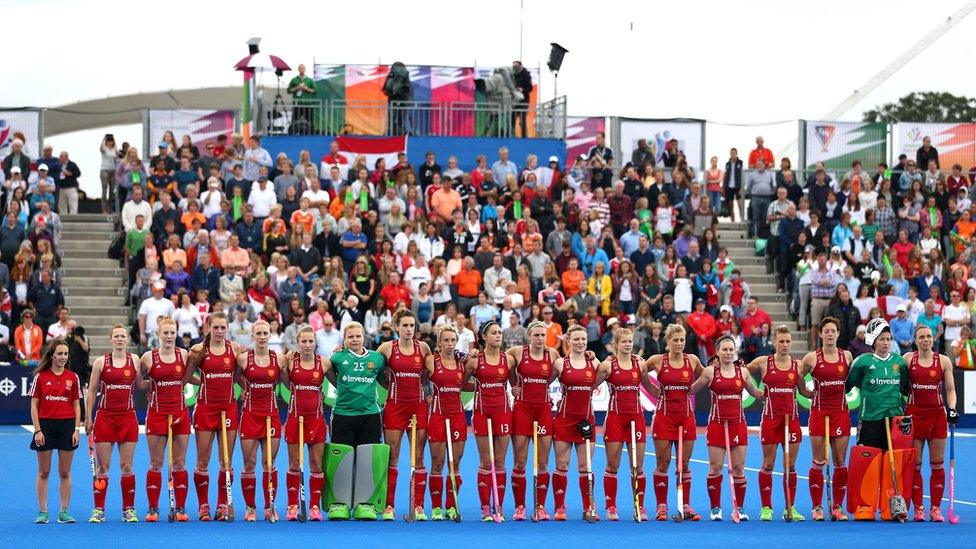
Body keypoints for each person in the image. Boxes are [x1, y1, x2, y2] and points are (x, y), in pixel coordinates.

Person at [689, 335, 763, 521]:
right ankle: (715, 508)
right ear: (718, 352)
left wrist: (772, 392)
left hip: (737, 425)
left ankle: (739, 508)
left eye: (731, 349)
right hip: (716, 425)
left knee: (738, 468)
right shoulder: (709, 372)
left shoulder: (743, 372)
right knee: (715, 468)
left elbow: (755, 393)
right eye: (724, 349)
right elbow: (690, 390)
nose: (728, 352)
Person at [845, 318, 909, 520]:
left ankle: (890, 505)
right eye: (882, 339)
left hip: (894, 420)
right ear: (874, 340)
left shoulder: (899, 362)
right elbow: (849, 385)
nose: (886, 342)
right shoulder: (862, 362)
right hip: (870, 418)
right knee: (869, 464)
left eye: (888, 339)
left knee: (893, 463)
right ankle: (866, 505)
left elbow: (905, 389)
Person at [323, 322, 387, 520]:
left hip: (370, 415)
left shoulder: (377, 359)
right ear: (344, 339)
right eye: (350, 337)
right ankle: (339, 503)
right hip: (343, 414)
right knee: (341, 458)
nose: (354, 340)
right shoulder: (337, 357)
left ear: (364, 337)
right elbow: (327, 372)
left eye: (358, 336)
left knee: (366, 459)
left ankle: (364, 503)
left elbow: (386, 378)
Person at [185, 312, 242, 521]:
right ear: (208, 328)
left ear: (227, 328)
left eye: (222, 328)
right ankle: (203, 506)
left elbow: (238, 375)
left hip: (228, 409)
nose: (219, 331)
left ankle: (221, 505)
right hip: (206, 409)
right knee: (203, 460)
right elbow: (185, 377)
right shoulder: (198, 350)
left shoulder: (234, 348)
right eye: (215, 327)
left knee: (226, 462)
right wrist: (204, 382)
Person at [377, 308, 432, 520]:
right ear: (396, 327)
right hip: (395, 407)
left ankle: (418, 506)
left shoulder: (424, 348)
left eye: (412, 326)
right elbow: (373, 370)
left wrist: (427, 393)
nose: (409, 329)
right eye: (405, 326)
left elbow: (430, 374)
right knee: (392, 456)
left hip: (418, 407)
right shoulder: (386, 348)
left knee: (418, 457)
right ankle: (389, 505)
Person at [645, 323, 704, 521]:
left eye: (682, 340)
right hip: (664, 417)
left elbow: (708, 376)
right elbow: (636, 370)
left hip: (686, 418)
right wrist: (652, 389)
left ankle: (684, 505)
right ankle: (661, 506)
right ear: (667, 341)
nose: (679, 343)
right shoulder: (657, 360)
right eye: (675, 340)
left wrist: (693, 389)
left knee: (684, 464)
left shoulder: (693, 360)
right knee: (663, 463)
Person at [745, 325, 804, 522]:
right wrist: (754, 391)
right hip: (771, 420)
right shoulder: (763, 362)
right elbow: (741, 373)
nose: (785, 345)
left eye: (788, 341)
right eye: (781, 341)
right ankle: (766, 508)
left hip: (792, 420)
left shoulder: (798, 365)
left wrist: (822, 393)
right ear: (774, 342)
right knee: (768, 464)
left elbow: (804, 391)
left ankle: (790, 507)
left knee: (791, 465)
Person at [598, 327, 657, 521]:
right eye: (623, 342)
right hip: (615, 418)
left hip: (636, 418)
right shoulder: (607, 366)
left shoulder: (639, 363)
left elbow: (650, 387)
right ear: (615, 344)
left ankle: (639, 507)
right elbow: (589, 386)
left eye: (630, 341)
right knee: (612, 465)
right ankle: (611, 507)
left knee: (637, 466)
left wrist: (671, 392)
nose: (627, 345)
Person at [84, 324, 141, 523]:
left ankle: (129, 509)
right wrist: (88, 417)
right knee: (103, 467)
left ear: (127, 339)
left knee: (126, 466)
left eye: (122, 336)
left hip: (127, 418)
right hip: (105, 418)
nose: (119, 339)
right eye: (116, 336)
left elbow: (142, 384)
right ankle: (99, 509)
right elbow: (91, 391)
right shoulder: (101, 362)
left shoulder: (135, 360)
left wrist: (168, 385)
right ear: (110, 339)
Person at [799, 317, 854, 522]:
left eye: (833, 330)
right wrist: (804, 392)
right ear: (820, 334)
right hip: (819, 413)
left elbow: (854, 378)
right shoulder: (811, 358)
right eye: (826, 331)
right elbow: (797, 376)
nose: (830, 334)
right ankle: (817, 507)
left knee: (840, 461)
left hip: (840, 413)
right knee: (819, 461)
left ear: (838, 334)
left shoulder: (847, 356)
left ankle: (838, 507)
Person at [505, 320, 559, 521]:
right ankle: (520, 507)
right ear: (529, 336)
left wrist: (589, 355)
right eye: (536, 335)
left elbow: (563, 370)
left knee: (543, 462)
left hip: (544, 410)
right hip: (522, 409)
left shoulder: (552, 354)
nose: (540, 339)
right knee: (520, 462)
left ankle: (541, 506)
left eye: (543, 335)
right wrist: (513, 384)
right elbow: (501, 362)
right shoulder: (517, 352)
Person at [903, 324, 957, 522]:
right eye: (921, 337)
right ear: (915, 340)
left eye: (928, 336)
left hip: (937, 416)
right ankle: (918, 508)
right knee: (915, 465)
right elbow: (898, 386)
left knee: (936, 464)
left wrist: (952, 408)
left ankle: (935, 508)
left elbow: (950, 390)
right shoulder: (907, 360)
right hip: (914, 415)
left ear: (933, 339)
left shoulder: (943, 361)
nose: (926, 339)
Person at [139, 317, 191, 522]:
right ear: (158, 334)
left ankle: (180, 507)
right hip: (157, 414)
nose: (169, 337)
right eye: (165, 333)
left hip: (180, 414)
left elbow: (189, 377)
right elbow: (139, 383)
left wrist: (204, 383)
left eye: (172, 333)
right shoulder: (148, 358)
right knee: (156, 463)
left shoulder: (184, 354)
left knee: (179, 463)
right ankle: (153, 508)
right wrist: (149, 390)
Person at [464, 320, 514, 521]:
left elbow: (515, 382)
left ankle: (498, 506)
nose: (498, 335)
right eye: (494, 333)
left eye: (500, 332)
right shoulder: (475, 361)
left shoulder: (508, 359)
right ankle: (485, 507)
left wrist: (516, 390)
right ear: (484, 337)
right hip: (482, 413)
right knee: (486, 462)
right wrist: (478, 388)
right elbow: (460, 383)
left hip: (503, 413)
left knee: (500, 462)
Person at [548, 325, 598, 521]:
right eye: (576, 339)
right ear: (568, 341)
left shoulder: (594, 363)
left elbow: (608, 376)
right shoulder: (560, 363)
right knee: (562, 464)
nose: (580, 343)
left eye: (583, 339)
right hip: (564, 419)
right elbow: (544, 382)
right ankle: (560, 508)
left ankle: (589, 508)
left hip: (587, 420)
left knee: (586, 466)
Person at [236, 320, 285, 522]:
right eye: (259, 333)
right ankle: (250, 507)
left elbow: (291, 381)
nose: (263, 337)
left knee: (269, 463)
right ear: (253, 336)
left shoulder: (280, 359)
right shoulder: (243, 359)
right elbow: (234, 377)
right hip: (250, 414)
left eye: (266, 333)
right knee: (249, 463)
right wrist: (246, 389)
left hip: (271, 415)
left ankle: (269, 506)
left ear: (270, 335)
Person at [29, 339, 81, 524]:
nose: (62, 357)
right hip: (46, 427)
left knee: (65, 472)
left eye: (65, 354)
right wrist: (38, 431)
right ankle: (43, 512)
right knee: (44, 471)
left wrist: (76, 429)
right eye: (59, 354)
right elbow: (34, 406)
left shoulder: (73, 377)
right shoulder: (40, 377)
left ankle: (63, 512)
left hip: (67, 427)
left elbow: (76, 405)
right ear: (52, 355)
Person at [282, 326, 327, 521]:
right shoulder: (290, 362)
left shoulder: (324, 363)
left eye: (311, 341)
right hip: (295, 418)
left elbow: (339, 379)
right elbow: (281, 376)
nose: (307, 345)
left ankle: (314, 507)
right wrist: (286, 356)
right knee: (294, 464)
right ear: (298, 342)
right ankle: (292, 505)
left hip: (316, 420)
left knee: (316, 464)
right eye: (304, 341)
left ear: (315, 342)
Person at [424, 325, 467, 521]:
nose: (450, 344)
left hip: (458, 416)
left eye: (452, 340)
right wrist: (425, 395)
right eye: (446, 340)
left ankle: (451, 506)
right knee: (438, 463)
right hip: (438, 417)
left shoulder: (462, 363)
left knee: (455, 464)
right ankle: (435, 508)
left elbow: (471, 382)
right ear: (439, 343)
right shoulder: (432, 361)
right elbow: (419, 379)